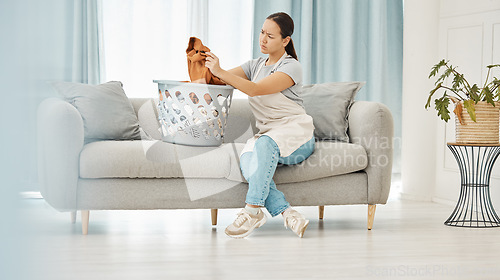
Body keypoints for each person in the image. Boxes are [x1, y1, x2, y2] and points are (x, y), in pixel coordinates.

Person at [205, 12, 315, 238]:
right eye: (262, 32)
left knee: (264, 143)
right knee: (248, 164)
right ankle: (287, 213)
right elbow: (216, 80)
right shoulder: (254, 65)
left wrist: (221, 72)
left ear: (285, 41)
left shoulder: (292, 66)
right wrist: (205, 64)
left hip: (297, 135)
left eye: (270, 36)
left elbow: (254, 89)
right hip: (268, 137)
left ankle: (252, 210)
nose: (263, 39)